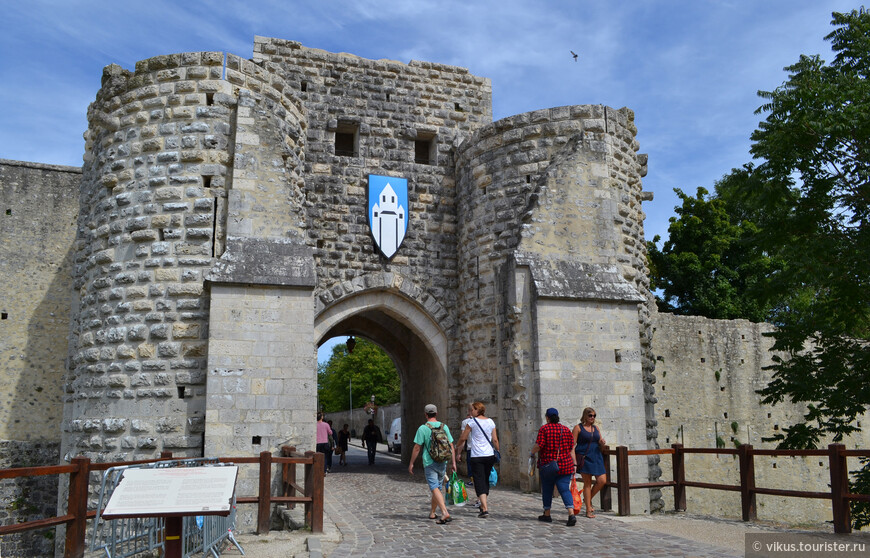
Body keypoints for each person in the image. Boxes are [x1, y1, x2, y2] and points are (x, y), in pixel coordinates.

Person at [408, 404, 457, 524]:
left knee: (434, 488)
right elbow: (451, 445)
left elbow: (417, 447)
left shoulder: (423, 428)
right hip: (442, 461)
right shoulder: (444, 427)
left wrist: (411, 463)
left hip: (429, 462)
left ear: (425, 414)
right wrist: (453, 462)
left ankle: (444, 512)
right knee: (438, 488)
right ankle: (432, 513)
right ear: (436, 413)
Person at [530, 407, 577, 526]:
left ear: (547, 417)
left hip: (548, 465)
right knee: (564, 489)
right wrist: (574, 463)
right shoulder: (566, 430)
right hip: (565, 465)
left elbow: (539, 445)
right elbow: (572, 448)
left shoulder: (544, 429)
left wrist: (531, 453)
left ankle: (547, 514)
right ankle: (571, 514)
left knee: (547, 489)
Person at [455, 401, 498, 518]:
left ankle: (484, 508)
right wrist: (498, 451)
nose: (471, 411)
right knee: (485, 479)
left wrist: (456, 446)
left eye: (472, 410)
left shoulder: (472, 422)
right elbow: (495, 440)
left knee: (479, 481)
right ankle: (483, 504)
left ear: (477, 410)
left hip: (477, 456)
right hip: (489, 455)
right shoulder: (491, 421)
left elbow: (463, 437)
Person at [573, 407, 607, 518]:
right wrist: (573, 461)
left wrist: (602, 443)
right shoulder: (578, 428)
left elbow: (599, 442)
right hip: (585, 457)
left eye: (594, 416)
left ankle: (587, 499)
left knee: (602, 480)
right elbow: (572, 445)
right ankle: (588, 510)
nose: (592, 417)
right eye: (590, 415)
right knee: (587, 484)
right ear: (585, 416)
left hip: (597, 457)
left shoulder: (596, 428)